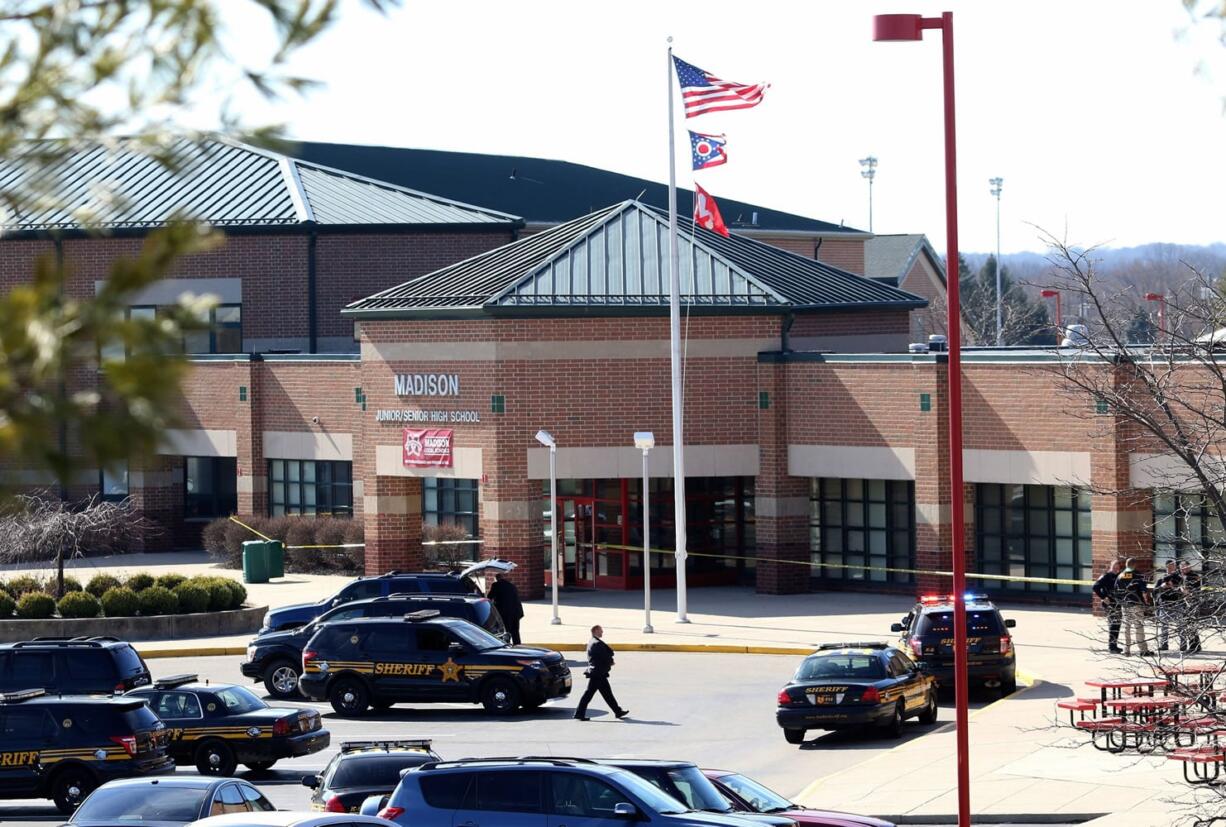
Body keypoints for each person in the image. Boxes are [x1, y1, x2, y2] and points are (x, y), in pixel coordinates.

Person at [574, 624, 629, 721]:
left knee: (607, 693)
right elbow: (604, 656)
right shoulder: (596, 643)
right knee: (589, 694)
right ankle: (579, 713)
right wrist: (610, 662)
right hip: (598, 673)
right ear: (595, 631)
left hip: (598, 672)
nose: (602, 632)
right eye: (600, 631)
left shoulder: (592, 642)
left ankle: (617, 711)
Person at [1115, 558, 1153, 657]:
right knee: (1138, 626)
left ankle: (1126, 650)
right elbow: (1144, 591)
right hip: (1136, 604)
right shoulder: (1136, 575)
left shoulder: (1120, 575)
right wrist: (1146, 602)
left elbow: (1116, 591)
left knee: (1126, 627)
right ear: (1135, 565)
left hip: (1125, 605)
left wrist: (1121, 602)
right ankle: (1143, 650)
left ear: (1126, 565)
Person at [1092, 560, 1123, 654]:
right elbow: (1095, 587)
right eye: (1114, 567)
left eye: (1117, 567)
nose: (1116, 569)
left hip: (1117, 603)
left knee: (1117, 624)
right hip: (1109, 603)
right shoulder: (1106, 576)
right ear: (1111, 567)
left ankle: (1114, 645)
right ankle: (1112, 647)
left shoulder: (1120, 575)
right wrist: (1103, 597)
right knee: (1114, 624)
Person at [1153, 560, 1183, 652]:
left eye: (1173, 566)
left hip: (1176, 604)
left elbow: (1183, 591)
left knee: (1180, 625)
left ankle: (1183, 644)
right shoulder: (1161, 579)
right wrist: (1162, 587)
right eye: (1169, 566)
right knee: (1164, 626)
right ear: (1166, 567)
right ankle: (1164, 644)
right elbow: (1154, 592)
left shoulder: (1179, 578)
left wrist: (1173, 587)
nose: (1171, 568)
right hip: (1165, 604)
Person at [488, 571, 524, 645]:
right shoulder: (511, 585)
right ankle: (518, 646)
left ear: (497, 578)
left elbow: (489, 597)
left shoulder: (496, 585)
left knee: (506, 631)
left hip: (505, 612)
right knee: (515, 631)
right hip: (516, 612)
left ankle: (506, 647)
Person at [1180, 561, 1203, 654]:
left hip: (1192, 603)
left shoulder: (1192, 576)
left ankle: (1194, 646)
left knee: (1191, 625)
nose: (1183, 569)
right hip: (1187, 603)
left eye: (1185, 567)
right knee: (1189, 625)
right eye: (1181, 567)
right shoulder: (1184, 576)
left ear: (1189, 567)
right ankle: (1196, 645)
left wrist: (1182, 589)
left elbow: (1189, 591)